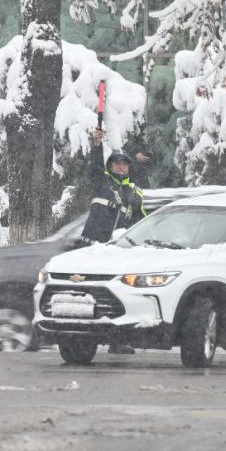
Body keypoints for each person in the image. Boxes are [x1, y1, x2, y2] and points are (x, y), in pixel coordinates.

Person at [80, 127, 146, 354]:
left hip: (118, 253)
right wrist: (97, 145)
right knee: (88, 296)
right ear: (110, 166)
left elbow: (142, 222)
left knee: (116, 296)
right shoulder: (101, 182)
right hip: (92, 246)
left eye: (125, 164)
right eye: (116, 163)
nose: (121, 166)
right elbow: (95, 166)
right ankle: (83, 340)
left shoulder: (135, 193)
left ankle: (116, 341)